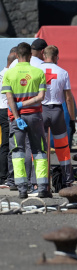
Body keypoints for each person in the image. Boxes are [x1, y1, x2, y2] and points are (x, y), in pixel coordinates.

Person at [1, 42, 50, 199]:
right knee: (39, 151)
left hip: (16, 119)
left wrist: (17, 116)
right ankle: (42, 187)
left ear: (16, 55)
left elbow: (9, 99)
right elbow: (41, 97)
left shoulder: (9, 74)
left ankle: (22, 188)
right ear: (31, 55)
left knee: (17, 152)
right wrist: (27, 103)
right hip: (35, 116)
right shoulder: (38, 72)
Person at [39, 45, 75, 189]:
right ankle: (67, 179)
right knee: (63, 147)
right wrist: (72, 120)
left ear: (44, 55)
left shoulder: (36, 71)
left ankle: (39, 181)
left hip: (40, 110)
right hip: (57, 112)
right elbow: (68, 99)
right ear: (56, 57)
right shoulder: (63, 72)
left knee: (39, 146)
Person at [0, 52, 17, 187]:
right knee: (7, 144)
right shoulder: (10, 75)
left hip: (1, 109)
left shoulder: (1, 73)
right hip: (7, 110)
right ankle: (4, 176)